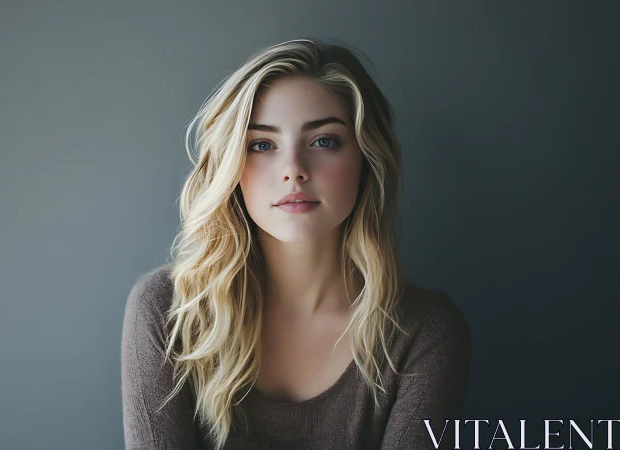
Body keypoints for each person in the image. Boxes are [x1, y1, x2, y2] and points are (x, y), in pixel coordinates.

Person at [121, 38, 471, 450]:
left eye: (324, 141)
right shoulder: (168, 313)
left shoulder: (424, 332)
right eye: (262, 145)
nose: (294, 171)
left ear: (366, 160)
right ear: (231, 167)